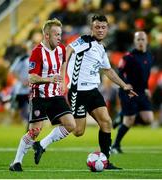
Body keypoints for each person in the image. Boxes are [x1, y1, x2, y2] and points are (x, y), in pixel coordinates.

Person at [66, 14, 137, 169]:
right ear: (92, 28)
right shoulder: (85, 40)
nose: (100, 30)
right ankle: (45, 141)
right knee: (78, 131)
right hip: (78, 91)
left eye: (103, 27)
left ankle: (105, 161)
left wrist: (124, 85)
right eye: (97, 27)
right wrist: (62, 68)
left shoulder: (101, 48)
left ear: (107, 29)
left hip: (92, 90)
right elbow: (68, 48)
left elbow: (108, 70)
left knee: (106, 121)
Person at [9, 18, 76, 171]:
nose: (59, 38)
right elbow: (31, 77)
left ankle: (41, 145)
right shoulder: (37, 52)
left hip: (55, 95)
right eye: (56, 35)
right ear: (46, 36)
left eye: (60, 34)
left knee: (71, 124)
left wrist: (62, 81)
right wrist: (49, 79)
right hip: (39, 96)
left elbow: (63, 62)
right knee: (34, 131)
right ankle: (16, 162)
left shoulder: (60, 49)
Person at [111, 31, 154, 154]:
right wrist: (125, 84)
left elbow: (146, 74)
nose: (140, 42)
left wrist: (146, 88)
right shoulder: (128, 57)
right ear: (135, 42)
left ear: (147, 40)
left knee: (148, 119)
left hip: (141, 91)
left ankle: (122, 115)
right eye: (138, 39)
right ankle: (115, 145)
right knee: (129, 121)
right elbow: (119, 72)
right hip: (128, 91)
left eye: (142, 39)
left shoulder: (150, 56)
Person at [9, 45, 30, 130]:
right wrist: (22, 81)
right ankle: (27, 121)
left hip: (30, 89)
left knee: (29, 109)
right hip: (20, 90)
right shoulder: (20, 59)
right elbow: (13, 71)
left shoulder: (31, 58)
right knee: (19, 110)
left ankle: (29, 124)